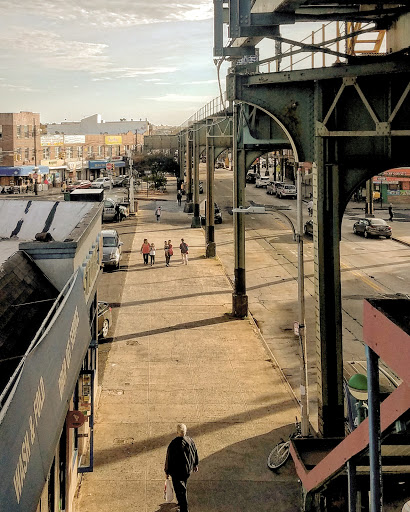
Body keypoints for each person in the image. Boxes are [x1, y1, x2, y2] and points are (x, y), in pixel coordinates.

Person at [165, 423, 199, 512]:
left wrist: (167, 471)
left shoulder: (173, 444)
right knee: (183, 486)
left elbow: (169, 459)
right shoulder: (190, 441)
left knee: (180, 491)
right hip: (187, 470)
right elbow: (195, 452)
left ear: (177, 432)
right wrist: (195, 464)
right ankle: (181, 504)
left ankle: (184, 508)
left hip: (176, 473)